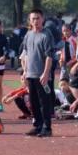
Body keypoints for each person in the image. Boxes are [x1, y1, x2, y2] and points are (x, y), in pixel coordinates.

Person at [19, 9, 57, 137]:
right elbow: (25, 54)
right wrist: (24, 71)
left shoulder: (46, 35)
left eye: (38, 18)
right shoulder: (28, 35)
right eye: (33, 19)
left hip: (42, 75)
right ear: (30, 21)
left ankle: (47, 127)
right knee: (33, 102)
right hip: (30, 74)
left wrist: (46, 73)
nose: (35, 21)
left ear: (42, 19)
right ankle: (38, 125)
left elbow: (49, 56)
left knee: (44, 102)